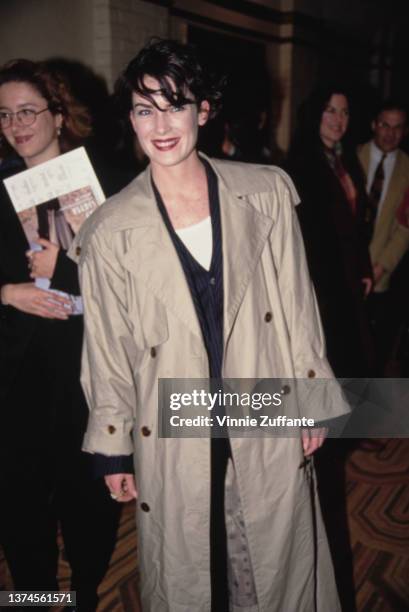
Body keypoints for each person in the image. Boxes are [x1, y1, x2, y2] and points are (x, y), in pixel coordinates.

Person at [72, 39, 348, 612]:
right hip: (170, 419)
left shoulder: (265, 191)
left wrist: (314, 395)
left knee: (271, 564)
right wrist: (112, 446)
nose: (161, 124)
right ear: (130, 118)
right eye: (145, 109)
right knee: (188, 573)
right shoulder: (108, 229)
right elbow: (107, 350)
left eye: (176, 104)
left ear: (204, 110)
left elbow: (298, 304)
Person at [0, 59, 121, 611]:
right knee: (19, 507)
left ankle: (87, 593)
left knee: (88, 502)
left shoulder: (107, 182)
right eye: (4, 115)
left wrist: (68, 262)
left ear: (58, 113)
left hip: (85, 371)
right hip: (16, 376)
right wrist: (7, 293)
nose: (16, 124)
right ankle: (32, 599)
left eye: (27, 111)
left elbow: (135, 280)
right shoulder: (0, 184)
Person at [287, 84, 374, 378]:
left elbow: (357, 223)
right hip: (320, 281)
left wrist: (363, 268)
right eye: (331, 110)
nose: (339, 119)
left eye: (345, 112)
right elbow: (303, 232)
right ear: (316, 114)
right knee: (327, 360)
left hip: (346, 278)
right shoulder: (300, 163)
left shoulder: (345, 160)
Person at [357, 100, 409, 374]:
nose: (390, 133)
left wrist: (379, 268)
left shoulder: (408, 170)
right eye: (385, 125)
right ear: (374, 125)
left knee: (374, 351)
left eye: (398, 127)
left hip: (382, 275)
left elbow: (405, 227)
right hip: (347, 271)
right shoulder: (352, 157)